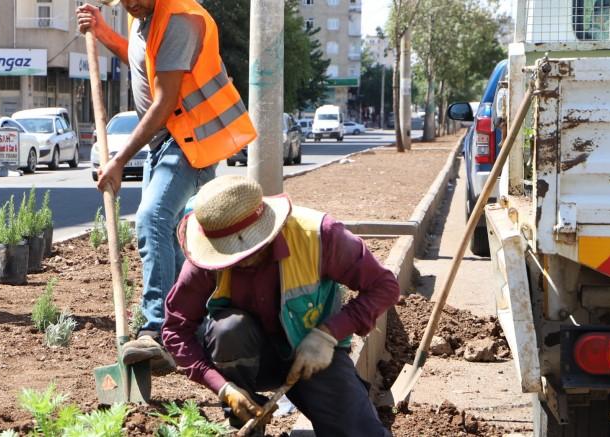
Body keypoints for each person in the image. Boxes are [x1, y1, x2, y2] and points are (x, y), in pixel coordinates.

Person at [77, 0, 256, 371]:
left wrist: (118, 160)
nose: (130, 3)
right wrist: (102, 31)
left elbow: (165, 100)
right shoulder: (143, 18)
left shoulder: (177, 21)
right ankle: (182, 332)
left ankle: (157, 329)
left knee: (152, 219)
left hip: (189, 139)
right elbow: (143, 63)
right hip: (166, 141)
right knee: (175, 236)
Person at [162, 175, 399, 436]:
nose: (238, 261)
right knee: (228, 330)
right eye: (228, 253)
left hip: (312, 353)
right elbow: (176, 330)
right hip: (248, 359)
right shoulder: (207, 258)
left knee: (359, 432)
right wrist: (223, 387)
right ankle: (246, 421)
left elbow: (384, 286)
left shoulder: (318, 236)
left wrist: (328, 335)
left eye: (246, 250)